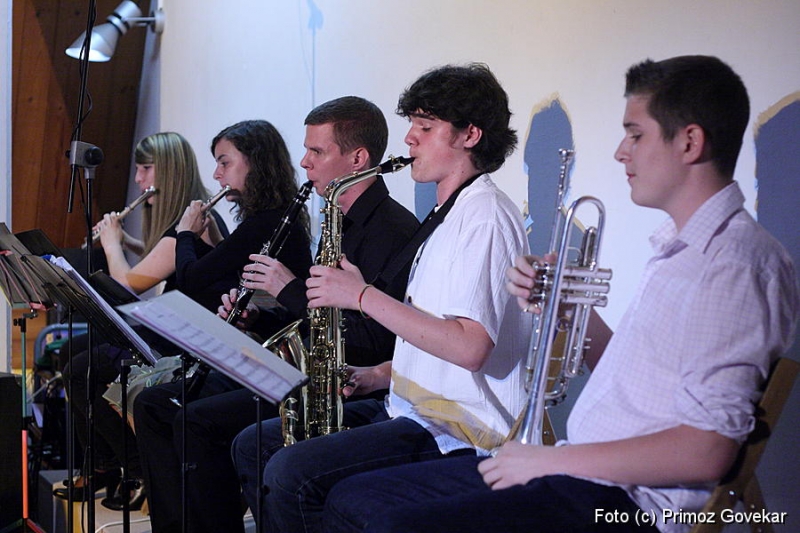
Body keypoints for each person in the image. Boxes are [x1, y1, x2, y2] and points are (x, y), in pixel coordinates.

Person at [321, 55, 800, 533]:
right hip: (589, 477)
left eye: (635, 135)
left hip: (625, 502)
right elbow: (634, 381)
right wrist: (570, 306)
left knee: (377, 517)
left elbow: (706, 452)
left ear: (690, 142)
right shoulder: (685, 251)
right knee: (353, 500)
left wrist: (552, 461)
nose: (621, 152)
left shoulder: (735, 265)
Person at [232, 63, 531, 533]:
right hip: (412, 407)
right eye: (412, 125)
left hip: (461, 431)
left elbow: (471, 347)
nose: (409, 138)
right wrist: (377, 374)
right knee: (257, 445)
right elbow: (435, 337)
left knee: (292, 474)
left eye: (425, 127)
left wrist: (361, 295)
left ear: (470, 135)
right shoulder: (447, 214)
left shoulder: (485, 218)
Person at [142, 96, 419, 533]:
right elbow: (319, 319)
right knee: (162, 405)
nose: (304, 163)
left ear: (358, 159)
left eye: (317, 152)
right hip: (307, 366)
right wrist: (261, 317)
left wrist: (287, 289)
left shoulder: (393, 231)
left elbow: (372, 342)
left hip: (347, 384)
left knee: (201, 423)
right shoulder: (339, 222)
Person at [132, 119, 320, 533]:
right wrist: (253, 314)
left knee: (179, 413)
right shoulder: (265, 219)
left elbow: (191, 279)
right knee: (153, 404)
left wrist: (185, 234)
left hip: (286, 364)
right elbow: (236, 279)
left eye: (224, 162)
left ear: (255, 163)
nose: (217, 175)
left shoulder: (267, 221)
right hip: (266, 343)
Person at [56, 131, 230, 509]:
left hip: (191, 339)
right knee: (71, 351)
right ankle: (104, 465)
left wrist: (111, 244)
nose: (138, 179)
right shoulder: (184, 220)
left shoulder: (195, 221)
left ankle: (137, 469)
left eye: (145, 169)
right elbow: (159, 260)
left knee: (81, 370)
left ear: (169, 171)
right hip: (174, 327)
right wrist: (128, 243)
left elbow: (129, 285)